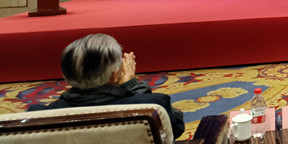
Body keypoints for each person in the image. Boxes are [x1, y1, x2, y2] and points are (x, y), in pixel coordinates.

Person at [28, 33, 185, 139]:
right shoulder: (154, 105)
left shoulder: (39, 116)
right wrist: (133, 85)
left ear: (66, 76)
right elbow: (175, 129)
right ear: (113, 75)